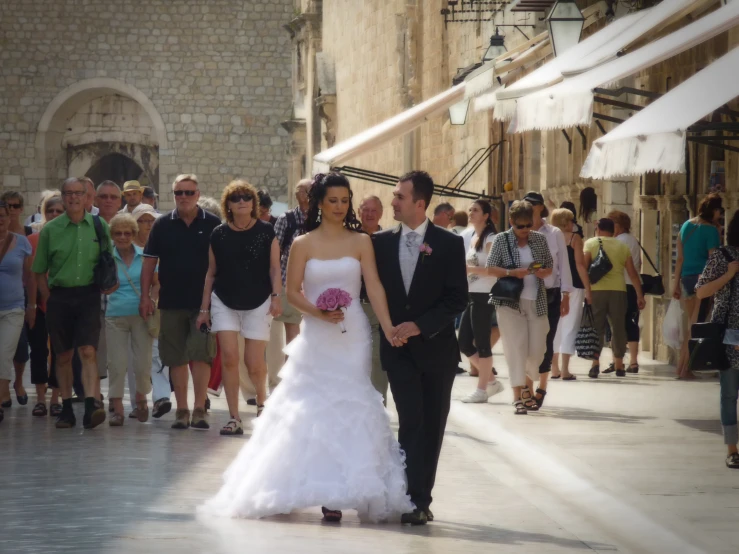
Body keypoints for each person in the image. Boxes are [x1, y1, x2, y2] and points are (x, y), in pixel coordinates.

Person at [200, 172, 413, 522]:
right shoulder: (302, 243)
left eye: (345, 201)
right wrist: (318, 312)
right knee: (312, 406)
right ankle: (320, 488)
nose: (340, 207)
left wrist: (388, 327)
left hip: (352, 333)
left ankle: (349, 486)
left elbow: (373, 287)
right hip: (316, 333)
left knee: (353, 402)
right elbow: (293, 292)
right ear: (319, 203)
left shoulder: (361, 241)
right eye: (333, 201)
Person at [373, 170, 468, 525]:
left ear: (419, 203)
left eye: (399, 196)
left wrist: (421, 325)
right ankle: (409, 497)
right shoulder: (379, 243)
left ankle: (422, 500)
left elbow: (457, 298)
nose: (392, 201)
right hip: (397, 349)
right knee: (410, 421)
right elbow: (372, 290)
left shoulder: (448, 244)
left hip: (437, 351)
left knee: (432, 424)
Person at [196, 180, 282, 435]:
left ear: (254, 202)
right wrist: (204, 309)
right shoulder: (219, 234)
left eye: (246, 197)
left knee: (254, 361)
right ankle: (234, 417)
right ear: (228, 205)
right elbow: (211, 273)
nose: (242, 201)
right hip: (224, 300)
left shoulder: (267, 231)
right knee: (230, 359)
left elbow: (275, 268)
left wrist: (277, 296)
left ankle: (262, 405)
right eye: (236, 198)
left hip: (259, 300)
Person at [32, 177, 116, 429]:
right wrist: (48, 298)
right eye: (68, 193)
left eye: (78, 193)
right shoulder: (50, 230)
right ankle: (66, 407)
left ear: (87, 197)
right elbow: (39, 270)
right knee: (63, 355)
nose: (73, 198)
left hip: (89, 295)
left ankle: (91, 404)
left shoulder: (99, 226)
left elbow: (108, 261)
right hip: (60, 296)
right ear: (63, 196)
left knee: (88, 350)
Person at [140, 174, 220, 430]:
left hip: (203, 304)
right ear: (172, 195)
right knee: (176, 358)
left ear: (197, 194)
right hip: (171, 302)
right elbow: (149, 262)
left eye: (188, 192)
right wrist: (145, 296)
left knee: (201, 355)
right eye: (178, 193)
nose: (183, 197)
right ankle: (181, 410)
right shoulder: (162, 225)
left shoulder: (213, 224)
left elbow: (220, 265)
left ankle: (199, 408)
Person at [486, 200, 552, 415]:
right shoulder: (501, 240)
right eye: (520, 226)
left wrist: (543, 271)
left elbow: (549, 266)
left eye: (528, 226)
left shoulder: (539, 240)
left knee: (536, 352)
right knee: (516, 349)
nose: (524, 230)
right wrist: (512, 272)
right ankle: (518, 396)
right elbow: (490, 269)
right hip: (509, 302)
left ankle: (525, 386)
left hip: (536, 301)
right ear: (511, 222)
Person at [521, 191, 572, 410]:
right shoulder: (515, 231)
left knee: (545, 341)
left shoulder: (554, 233)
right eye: (526, 204)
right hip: (522, 294)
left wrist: (566, 294)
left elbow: (564, 264)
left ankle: (541, 386)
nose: (530, 208)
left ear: (541, 207)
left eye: (533, 205)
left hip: (549, 293)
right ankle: (526, 387)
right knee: (524, 343)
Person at [695, 211, 739, 469]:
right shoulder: (723, 257)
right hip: (729, 335)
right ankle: (732, 449)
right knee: (729, 394)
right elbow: (701, 291)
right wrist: (728, 275)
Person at [105, 214, 154, 426]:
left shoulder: (145, 256)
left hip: (141, 315)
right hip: (115, 314)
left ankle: (141, 398)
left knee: (142, 363)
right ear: (112, 236)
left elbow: (158, 283)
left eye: (127, 233)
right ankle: (117, 409)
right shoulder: (107, 258)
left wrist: (153, 299)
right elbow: (99, 284)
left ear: (134, 234)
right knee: (116, 364)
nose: (123, 237)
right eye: (118, 233)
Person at [584, 219, 646, 378]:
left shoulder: (590, 243)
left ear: (597, 228)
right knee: (618, 327)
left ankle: (595, 363)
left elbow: (583, 268)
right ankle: (619, 364)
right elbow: (632, 273)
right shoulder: (622, 246)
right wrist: (639, 295)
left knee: (596, 327)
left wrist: (586, 290)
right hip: (619, 290)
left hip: (597, 290)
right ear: (613, 230)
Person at [673, 193, 723, 380]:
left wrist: (675, 283)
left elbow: (680, 258)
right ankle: (685, 369)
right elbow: (713, 260)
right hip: (703, 281)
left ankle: (681, 367)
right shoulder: (711, 231)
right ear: (714, 210)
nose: (720, 215)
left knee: (691, 325)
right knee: (696, 326)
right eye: (719, 211)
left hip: (686, 279)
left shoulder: (686, 225)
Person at [459, 199, 504, 402]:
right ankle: (492, 381)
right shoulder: (473, 237)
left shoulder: (490, 238)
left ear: (486, 216)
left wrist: (469, 270)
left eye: (476, 210)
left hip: (485, 295)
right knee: (465, 343)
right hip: (472, 294)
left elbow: (495, 270)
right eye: (470, 210)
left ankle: (482, 389)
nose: (471, 213)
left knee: (482, 343)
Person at [27, 194, 64, 417]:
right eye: (50, 211)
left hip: (62, 302)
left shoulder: (70, 239)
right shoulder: (33, 240)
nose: (54, 215)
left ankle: (56, 397)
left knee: (60, 352)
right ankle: (40, 398)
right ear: (44, 212)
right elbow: (32, 275)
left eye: (59, 211)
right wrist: (31, 306)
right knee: (39, 351)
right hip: (38, 304)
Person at [131, 204, 170, 418]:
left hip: (155, 309)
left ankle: (161, 397)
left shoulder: (161, 246)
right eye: (142, 221)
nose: (147, 225)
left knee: (156, 353)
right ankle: (139, 401)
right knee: (133, 357)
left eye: (151, 221)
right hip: (128, 308)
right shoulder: (125, 247)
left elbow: (160, 279)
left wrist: (152, 299)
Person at [0, 201, 36, 415]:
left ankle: (2, 395)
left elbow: (30, 277)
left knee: (4, 352)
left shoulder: (22, 242)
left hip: (13, 308)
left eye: (4, 215)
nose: (1, 219)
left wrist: (31, 305)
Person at [551, 208, 591, 380]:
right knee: (570, 326)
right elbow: (580, 265)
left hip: (553, 285)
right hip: (574, 285)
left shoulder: (550, 237)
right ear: (566, 222)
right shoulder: (575, 238)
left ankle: (554, 368)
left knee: (555, 326)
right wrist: (589, 289)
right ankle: (565, 369)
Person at [273, 179, 312, 348]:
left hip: (314, 282)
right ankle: (291, 369)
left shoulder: (323, 219)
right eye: (302, 191)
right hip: (289, 282)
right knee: (292, 327)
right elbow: (275, 252)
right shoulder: (286, 219)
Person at [359, 195, 387, 402]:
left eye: (373, 211)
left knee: (378, 359)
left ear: (381, 213)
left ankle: (379, 408)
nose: (369, 214)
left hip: (378, 309)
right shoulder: (349, 238)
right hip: (353, 308)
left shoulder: (388, 240)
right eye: (365, 210)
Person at [607, 211, 642, 374]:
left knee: (617, 325)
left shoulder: (618, 242)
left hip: (620, 287)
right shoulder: (632, 240)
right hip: (631, 287)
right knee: (630, 323)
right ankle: (633, 361)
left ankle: (617, 361)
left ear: (618, 225)